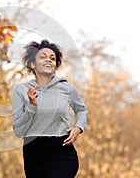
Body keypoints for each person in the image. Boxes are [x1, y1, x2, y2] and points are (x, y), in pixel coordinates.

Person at [12, 40, 88, 178]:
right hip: (33, 151)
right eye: (42, 57)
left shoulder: (66, 88)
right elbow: (18, 131)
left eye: (52, 58)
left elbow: (81, 110)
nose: (48, 60)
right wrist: (32, 106)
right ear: (33, 64)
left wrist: (78, 127)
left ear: (55, 65)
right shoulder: (21, 90)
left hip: (62, 149)